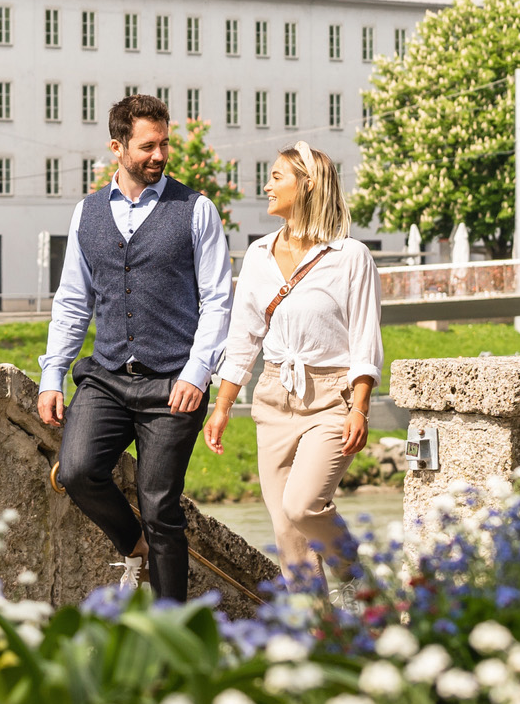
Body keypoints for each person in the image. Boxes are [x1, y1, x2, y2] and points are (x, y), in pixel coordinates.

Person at [38, 93, 233, 601]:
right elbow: (73, 301)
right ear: (117, 147)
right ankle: (132, 545)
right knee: (78, 471)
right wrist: (51, 375)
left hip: (173, 381)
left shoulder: (196, 210)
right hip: (106, 376)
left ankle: (175, 635)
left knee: (160, 507)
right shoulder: (86, 214)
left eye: (165, 144)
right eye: (148, 146)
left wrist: (197, 373)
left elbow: (217, 301)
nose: (160, 155)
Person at [205, 143, 381, 580]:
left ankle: (356, 580)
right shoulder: (259, 256)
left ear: (307, 185)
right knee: (288, 534)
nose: (267, 186)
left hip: (331, 399)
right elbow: (244, 336)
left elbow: (365, 338)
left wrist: (359, 406)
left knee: (303, 505)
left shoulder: (349, 256)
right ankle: (317, 636)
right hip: (273, 397)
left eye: (277, 176)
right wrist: (223, 406)